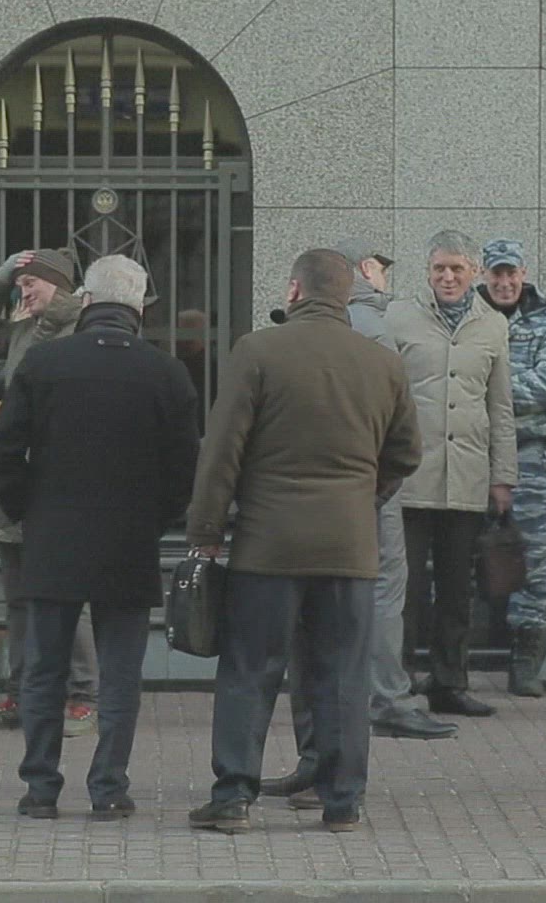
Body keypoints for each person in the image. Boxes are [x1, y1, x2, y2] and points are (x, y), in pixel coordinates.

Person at [188, 249, 422, 835]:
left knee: (250, 669)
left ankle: (233, 796)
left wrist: (207, 530)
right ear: (347, 296)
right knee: (343, 673)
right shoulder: (383, 363)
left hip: (268, 545)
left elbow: (222, 451)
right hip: (350, 547)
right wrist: (363, 497)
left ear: (294, 291)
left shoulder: (258, 352)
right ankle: (342, 800)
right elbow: (406, 454)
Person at [0, 255, 199, 821]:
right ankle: (108, 786)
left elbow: (2, 449)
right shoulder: (166, 372)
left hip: (52, 536)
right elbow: (184, 466)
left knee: (44, 668)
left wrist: (26, 509)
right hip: (129, 540)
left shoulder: (44, 362)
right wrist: (156, 519)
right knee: (120, 673)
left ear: (85, 299)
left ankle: (40, 787)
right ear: (139, 307)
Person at [263, 238, 451, 808]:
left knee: (307, 643)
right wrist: (375, 487)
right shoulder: (375, 329)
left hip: (294, 512)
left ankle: (315, 763)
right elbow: (402, 438)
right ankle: (348, 757)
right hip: (357, 505)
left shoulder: (283, 338)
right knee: (363, 617)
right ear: (365, 272)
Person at [0, 244, 100, 737]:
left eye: (31, 283)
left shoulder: (78, 329)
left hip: (54, 485)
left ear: (59, 287)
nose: (23, 292)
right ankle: (21, 694)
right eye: (20, 285)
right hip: (13, 485)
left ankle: (85, 697)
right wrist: (2, 278)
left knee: (68, 595)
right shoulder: (23, 328)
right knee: (19, 599)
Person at [386, 229, 516, 718]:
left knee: (457, 590)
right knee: (405, 591)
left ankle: (450, 682)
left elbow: (500, 407)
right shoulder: (398, 317)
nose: (447, 277)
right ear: (427, 271)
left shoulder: (493, 325)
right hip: (410, 477)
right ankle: (396, 683)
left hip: (466, 476)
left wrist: (503, 476)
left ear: (474, 273)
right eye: (439, 268)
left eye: (457, 269)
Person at [474, 238, 546, 698]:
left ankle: (525, 656)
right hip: (470, 452)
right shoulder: (465, 320)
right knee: (454, 552)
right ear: (484, 275)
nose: (504, 282)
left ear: (523, 274)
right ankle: (448, 661)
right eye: (496, 274)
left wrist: (487, 387)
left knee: (531, 554)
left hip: (527, 454)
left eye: (511, 273)